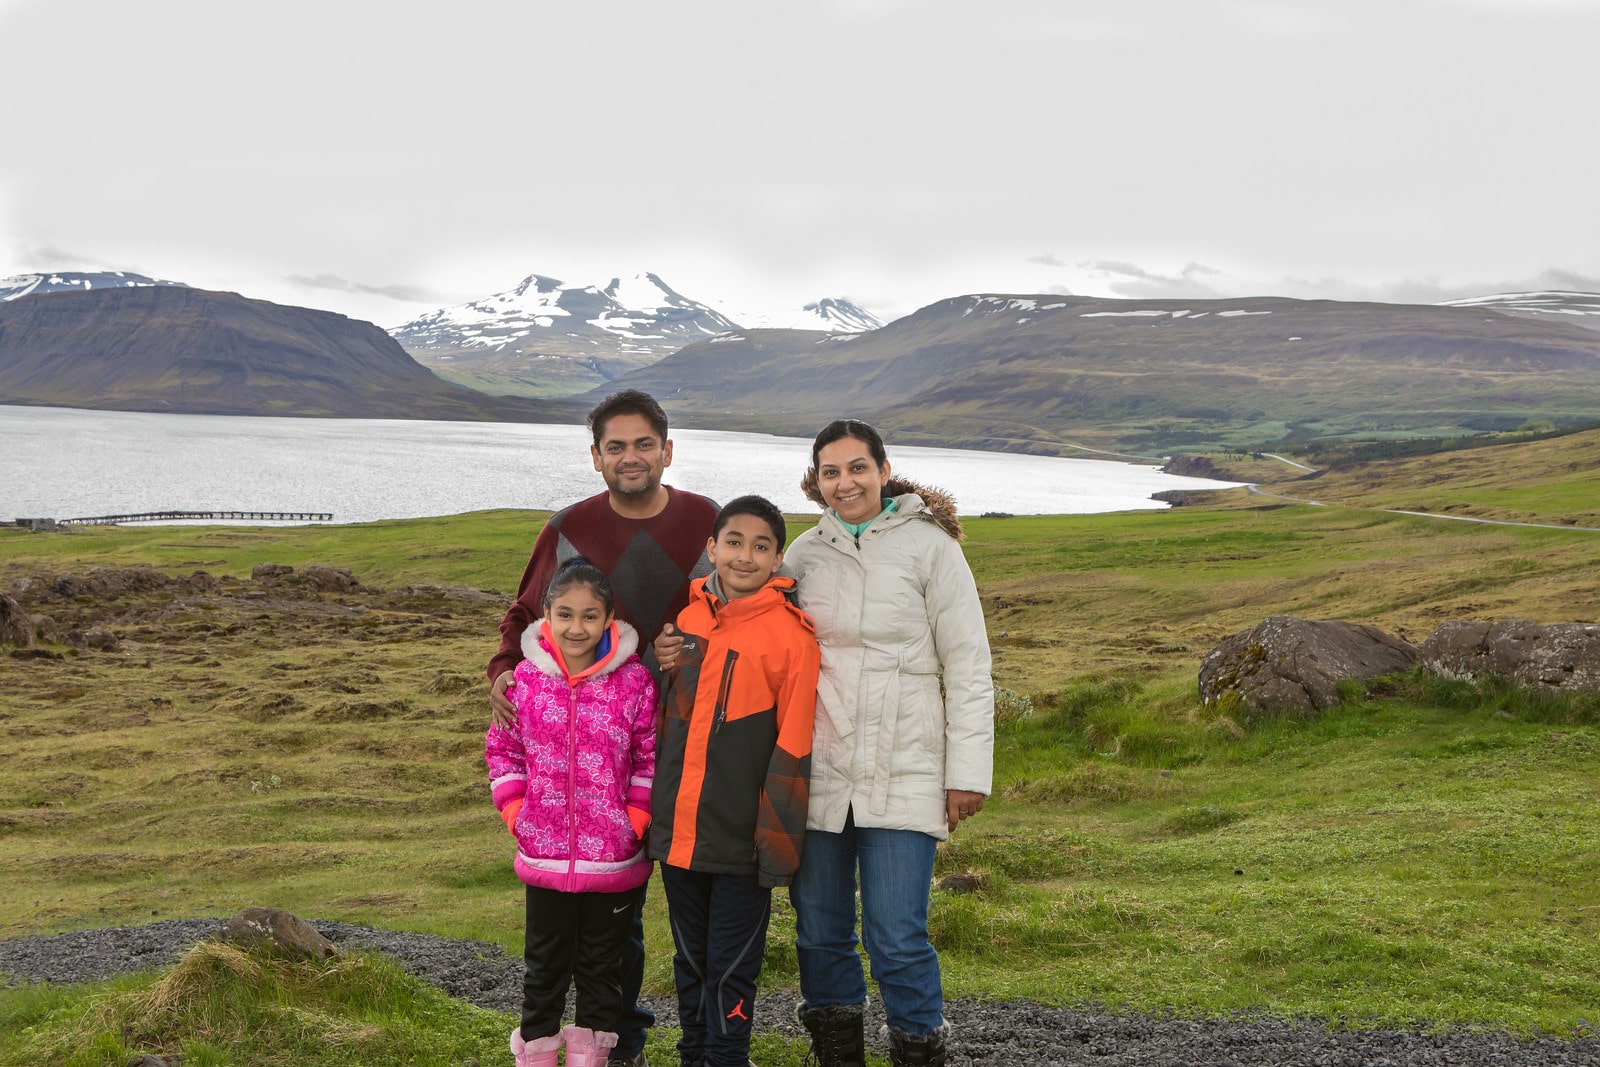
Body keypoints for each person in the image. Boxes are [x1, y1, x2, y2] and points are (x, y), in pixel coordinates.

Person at [661, 420, 993, 1067]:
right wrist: (672, 645)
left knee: (897, 934)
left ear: (883, 468)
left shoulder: (933, 550)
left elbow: (970, 666)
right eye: (832, 472)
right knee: (819, 934)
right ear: (816, 481)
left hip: (907, 769)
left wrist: (967, 772)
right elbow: (742, 620)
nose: (846, 482)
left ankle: (919, 1051)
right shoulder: (806, 555)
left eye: (857, 467)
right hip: (817, 776)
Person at [489, 388, 719, 1067]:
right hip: (594, 753)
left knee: (674, 897)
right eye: (615, 445)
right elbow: (523, 611)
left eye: (643, 443)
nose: (630, 456)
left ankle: (709, 1039)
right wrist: (505, 671)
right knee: (605, 898)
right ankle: (623, 1038)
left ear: (667, 450)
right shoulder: (567, 528)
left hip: (682, 734)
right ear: (595, 457)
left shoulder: (704, 521)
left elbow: (733, 607)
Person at [648, 495, 821, 1067]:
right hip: (679, 837)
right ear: (711, 549)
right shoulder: (690, 620)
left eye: (762, 546)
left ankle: (726, 1055)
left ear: (777, 561)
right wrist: (659, 660)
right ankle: (693, 1052)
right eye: (734, 542)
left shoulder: (793, 638)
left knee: (732, 962)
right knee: (689, 959)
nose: (745, 556)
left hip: (742, 841)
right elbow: (668, 721)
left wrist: (775, 845)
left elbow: (794, 746)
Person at [486, 560, 659, 1067]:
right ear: (546, 616)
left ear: (609, 620)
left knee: (603, 969)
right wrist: (518, 811)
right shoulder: (524, 681)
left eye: (590, 616)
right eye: (565, 614)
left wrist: (635, 819)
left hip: (614, 860)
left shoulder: (634, 684)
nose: (576, 628)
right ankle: (536, 1056)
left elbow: (648, 755)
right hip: (543, 854)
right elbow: (504, 751)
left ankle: (593, 1059)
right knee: (543, 967)